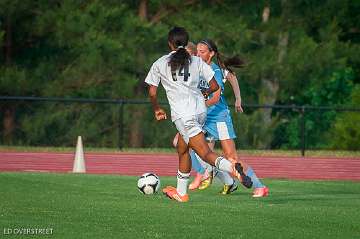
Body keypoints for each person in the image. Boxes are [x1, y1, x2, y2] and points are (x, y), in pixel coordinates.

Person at [145, 27, 252, 202]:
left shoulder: (161, 62)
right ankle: (181, 192)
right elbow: (215, 86)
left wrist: (157, 108)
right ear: (186, 43)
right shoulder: (196, 61)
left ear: (170, 43)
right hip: (200, 111)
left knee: (204, 153)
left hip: (183, 115)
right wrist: (202, 94)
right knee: (182, 147)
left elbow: (152, 92)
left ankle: (233, 168)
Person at [190, 39, 269, 197]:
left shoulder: (216, 71)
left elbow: (216, 97)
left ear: (211, 53)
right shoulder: (197, 67)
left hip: (218, 118)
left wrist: (238, 99)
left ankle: (260, 187)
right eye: (197, 51)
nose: (198, 54)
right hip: (204, 117)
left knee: (231, 158)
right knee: (191, 146)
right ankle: (217, 176)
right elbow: (232, 76)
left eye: (202, 51)